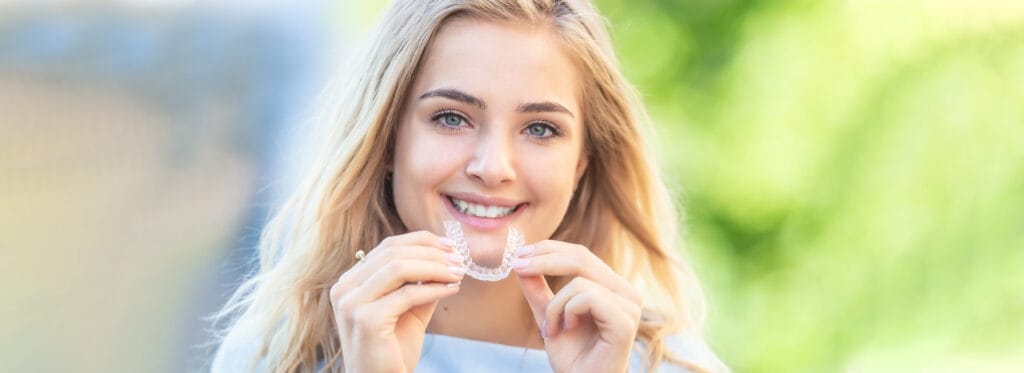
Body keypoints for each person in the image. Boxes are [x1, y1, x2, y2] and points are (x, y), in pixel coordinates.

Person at [210, 0, 728, 372]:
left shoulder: (670, 365)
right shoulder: (271, 356)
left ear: (581, 165)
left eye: (540, 128)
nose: (493, 167)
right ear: (388, 140)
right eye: (452, 118)